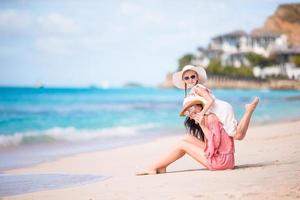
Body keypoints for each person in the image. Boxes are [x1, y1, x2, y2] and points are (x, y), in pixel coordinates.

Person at [136, 96, 235, 175]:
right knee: (186, 138)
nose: (190, 114)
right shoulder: (207, 118)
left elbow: (215, 146)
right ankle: (162, 166)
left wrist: (203, 127)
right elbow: (214, 145)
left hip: (222, 162)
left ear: (200, 106)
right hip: (222, 157)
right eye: (187, 112)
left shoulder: (211, 119)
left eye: (191, 109)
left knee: (182, 145)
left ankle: (152, 168)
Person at [172, 65, 259, 140]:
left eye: (193, 76)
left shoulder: (198, 88)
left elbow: (210, 100)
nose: (190, 79)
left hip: (221, 109)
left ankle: (249, 110)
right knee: (236, 132)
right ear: (184, 80)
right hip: (221, 108)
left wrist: (201, 113)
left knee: (237, 136)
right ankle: (248, 111)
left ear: (197, 77)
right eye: (187, 78)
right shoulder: (193, 91)